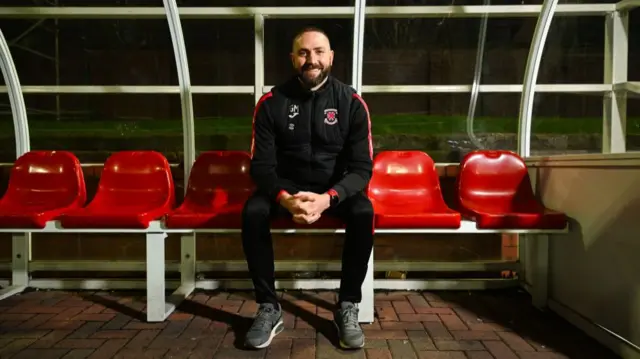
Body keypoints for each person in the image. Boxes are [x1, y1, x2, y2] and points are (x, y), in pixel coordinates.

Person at [241, 26, 374, 350]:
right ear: (292, 59)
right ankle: (269, 307)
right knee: (253, 211)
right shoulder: (272, 103)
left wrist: (328, 199)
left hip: (332, 193)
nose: (310, 59)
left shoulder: (352, 103)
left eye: (318, 52)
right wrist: (285, 199)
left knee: (363, 211)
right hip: (286, 192)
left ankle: (347, 305)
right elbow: (261, 167)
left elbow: (361, 169)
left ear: (330, 57)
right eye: (303, 52)